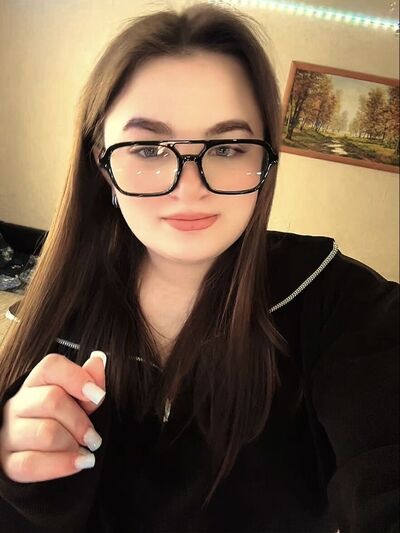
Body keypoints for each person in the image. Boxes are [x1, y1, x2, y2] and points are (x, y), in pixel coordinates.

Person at [0, 3, 398, 532]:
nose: (190, 187)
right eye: (148, 149)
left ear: (266, 159)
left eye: (228, 147)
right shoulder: (53, 322)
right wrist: (29, 487)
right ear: (102, 165)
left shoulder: (335, 301)